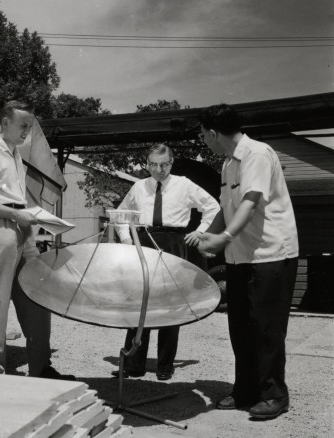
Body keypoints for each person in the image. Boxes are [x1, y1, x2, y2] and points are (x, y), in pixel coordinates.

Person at [197, 103, 298, 420]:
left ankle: (274, 394)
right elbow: (227, 207)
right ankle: (245, 391)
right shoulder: (228, 164)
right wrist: (206, 234)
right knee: (240, 327)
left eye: (203, 135)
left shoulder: (256, 154)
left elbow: (251, 201)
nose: (203, 141)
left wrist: (223, 238)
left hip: (271, 254)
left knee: (266, 328)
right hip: (240, 257)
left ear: (214, 133)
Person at [0, 100, 74, 380]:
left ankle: (41, 368)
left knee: (37, 296)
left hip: (23, 229)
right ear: (5, 122)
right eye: (23, 125)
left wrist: (31, 218)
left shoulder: (14, 155)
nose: (28, 130)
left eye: (30, 125)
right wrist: (14, 216)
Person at [113, 144, 220, 381]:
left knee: (170, 306)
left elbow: (212, 206)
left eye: (164, 164)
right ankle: (134, 365)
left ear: (171, 163)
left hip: (174, 242)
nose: (158, 169)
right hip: (144, 241)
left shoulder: (184, 184)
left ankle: (165, 366)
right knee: (141, 304)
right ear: (147, 164)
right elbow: (121, 215)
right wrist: (127, 239)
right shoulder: (139, 187)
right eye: (153, 164)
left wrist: (200, 231)